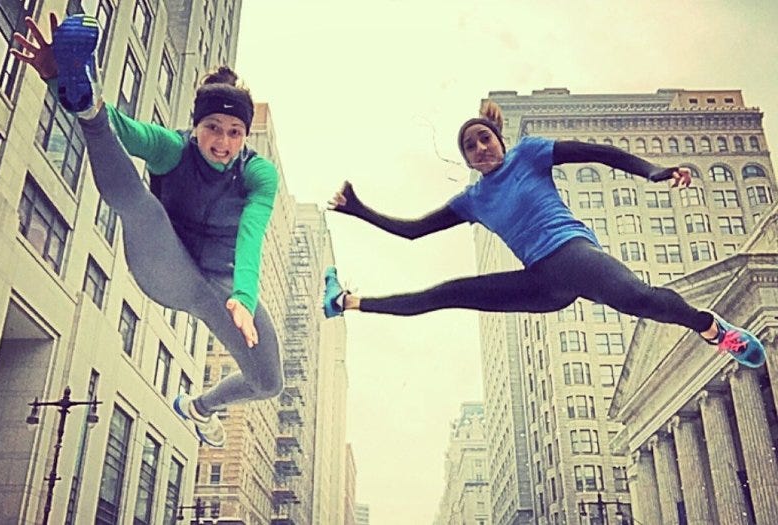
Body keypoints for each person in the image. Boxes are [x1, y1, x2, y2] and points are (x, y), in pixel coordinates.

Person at [322, 100, 766, 368]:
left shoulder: (530, 154)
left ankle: (712, 330)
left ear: (499, 139)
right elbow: (413, 231)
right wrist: (358, 209)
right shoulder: (472, 200)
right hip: (542, 284)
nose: (480, 148)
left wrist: (654, 172)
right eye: (470, 147)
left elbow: (598, 153)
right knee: (447, 293)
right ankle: (346, 302)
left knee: (640, 300)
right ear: (467, 160)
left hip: (573, 253)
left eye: (484, 138)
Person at [11, 13, 283, 446]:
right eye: (212, 128)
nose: (222, 142)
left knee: (269, 383)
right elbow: (124, 129)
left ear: (245, 136)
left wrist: (244, 298)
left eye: (235, 132)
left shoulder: (258, 174)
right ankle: (86, 107)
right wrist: (61, 82)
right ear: (196, 127)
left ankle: (198, 407)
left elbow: (252, 235)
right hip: (166, 263)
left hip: (224, 286)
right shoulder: (173, 148)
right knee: (142, 205)